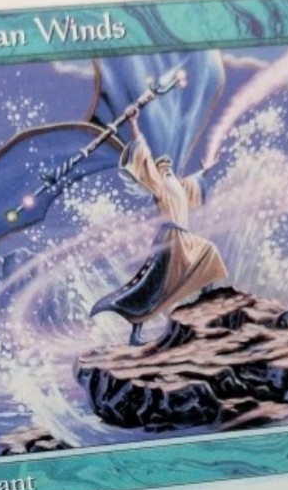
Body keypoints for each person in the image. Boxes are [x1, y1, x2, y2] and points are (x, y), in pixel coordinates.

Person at [91, 112, 230, 344]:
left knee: (208, 251)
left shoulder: (179, 185)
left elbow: (193, 185)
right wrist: (134, 124)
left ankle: (207, 293)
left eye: (167, 165)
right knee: (153, 285)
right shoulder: (158, 183)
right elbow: (143, 156)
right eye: (161, 165)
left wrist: (206, 170)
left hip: (184, 237)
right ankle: (136, 333)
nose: (165, 166)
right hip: (169, 239)